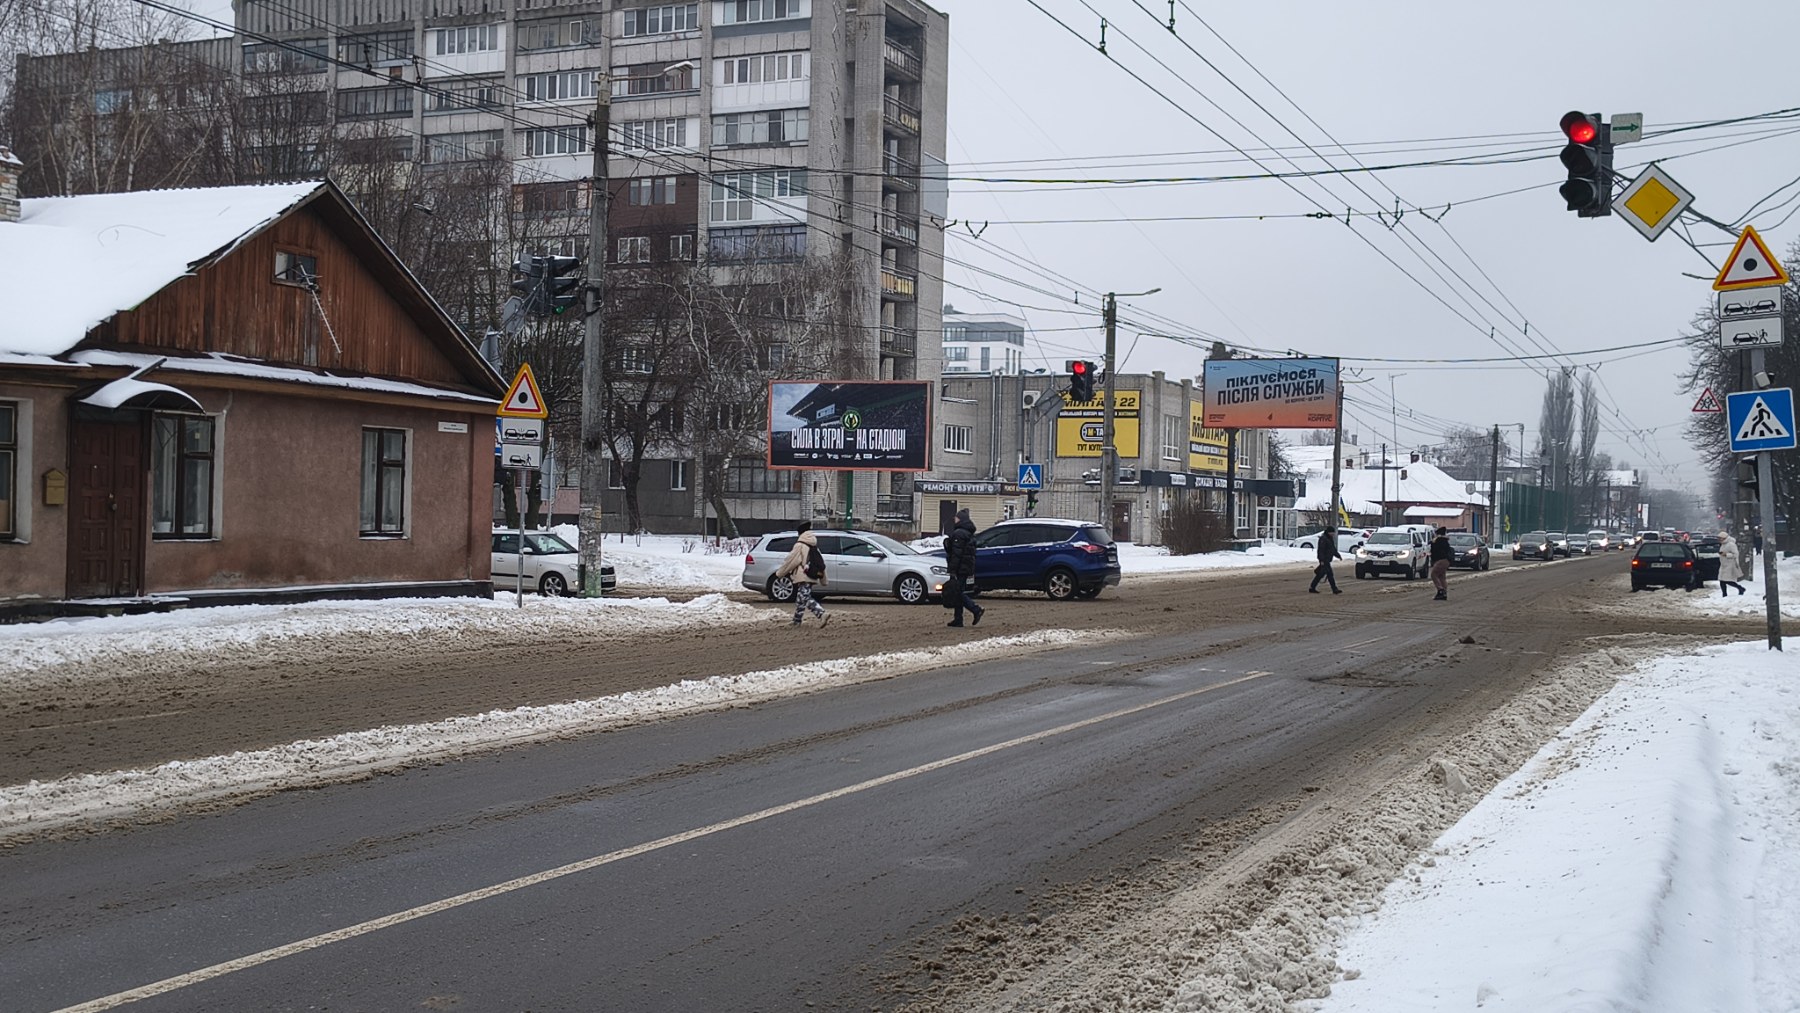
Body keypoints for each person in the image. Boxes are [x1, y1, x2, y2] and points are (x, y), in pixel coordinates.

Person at [775, 522, 829, 627]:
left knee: (804, 598)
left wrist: (780, 573)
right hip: (811, 574)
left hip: (803, 574)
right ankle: (796, 621)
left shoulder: (800, 545)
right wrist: (823, 578)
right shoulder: (813, 545)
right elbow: (820, 561)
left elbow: (790, 560)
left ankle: (822, 613)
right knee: (801, 598)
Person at [942, 508, 985, 627]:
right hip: (966, 567)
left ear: (960, 519)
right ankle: (958, 619)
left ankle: (976, 609)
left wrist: (952, 570)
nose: (954, 519)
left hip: (960, 568)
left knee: (957, 593)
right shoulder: (968, 533)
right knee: (958, 591)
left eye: (956, 518)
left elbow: (957, 553)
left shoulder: (959, 533)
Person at [1309, 527, 1342, 594]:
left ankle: (1312, 587)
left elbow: (1333, 549)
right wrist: (1321, 560)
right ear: (1328, 532)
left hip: (1327, 559)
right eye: (1332, 532)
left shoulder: (1329, 539)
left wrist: (1338, 555)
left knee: (1321, 574)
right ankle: (1334, 589)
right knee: (1330, 575)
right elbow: (1321, 550)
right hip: (1324, 560)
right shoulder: (1323, 539)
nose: (1333, 534)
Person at [1718, 530, 1748, 596]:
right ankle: (1725, 594)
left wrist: (1726, 554)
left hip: (1730, 564)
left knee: (1727, 580)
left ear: (1724, 538)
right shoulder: (1723, 544)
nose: (1719, 539)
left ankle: (1740, 588)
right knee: (1722, 580)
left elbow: (1736, 554)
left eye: (1720, 538)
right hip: (1723, 564)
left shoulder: (1731, 544)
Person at [1429, 526, 1453, 601]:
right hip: (1446, 560)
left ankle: (1440, 590)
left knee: (1434, 574)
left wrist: (1433, 543)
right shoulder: (1445, 541)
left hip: (1441, 560)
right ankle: (1444, 592)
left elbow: (1435, 551)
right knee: (1442, 576)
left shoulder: (1438, 541)